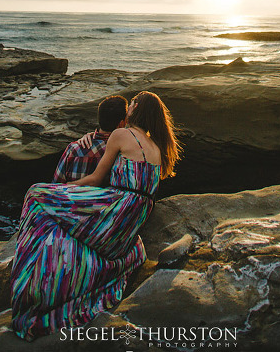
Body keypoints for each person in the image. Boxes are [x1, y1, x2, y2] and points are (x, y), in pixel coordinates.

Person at [10, 91, 181, 340]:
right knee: (48, 205)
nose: (129, 106)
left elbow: (97, 179)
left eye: (133, 103)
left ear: (139, 110)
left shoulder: (121, 134)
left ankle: (29, 281)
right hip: (131, 221)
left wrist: (62, 189)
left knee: (36, 194)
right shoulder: (157, 146)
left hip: (114, 209)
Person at [52, 95, 127, 183]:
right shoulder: (122, 153)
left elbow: (56, 185)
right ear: (121, 124)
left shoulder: (74, 148)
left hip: (71, 195)